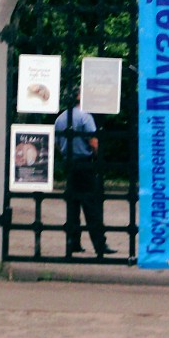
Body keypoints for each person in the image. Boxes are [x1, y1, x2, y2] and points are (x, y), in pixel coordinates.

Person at [54, 100, 115, 256]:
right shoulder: (85, 117)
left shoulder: (60, 118)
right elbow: (93, 142)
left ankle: (73, 243)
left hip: (69, 164)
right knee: (91, 206)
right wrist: (98, 158)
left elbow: (57, 143)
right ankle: (99, 245)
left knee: (72, 205)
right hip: (84, 164)